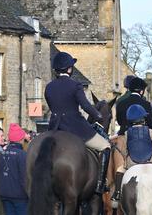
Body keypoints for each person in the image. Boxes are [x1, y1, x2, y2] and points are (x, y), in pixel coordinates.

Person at [45, 51, 111, 194]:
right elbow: (86, 106)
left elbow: (52, 107)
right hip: (76, 128)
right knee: (105, 146)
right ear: (69, 69)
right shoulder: (75, 85)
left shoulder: (49, 87)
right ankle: (100, 184)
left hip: (55, 129)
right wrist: (98, 115)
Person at [112, 105, 152, 201]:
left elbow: (125, 151)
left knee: (119, 170)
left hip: (132, 161)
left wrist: (127, 158)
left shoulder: (126, 133)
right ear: (142, 119)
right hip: (150, 159)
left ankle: (117, 193)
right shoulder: (150, 131)